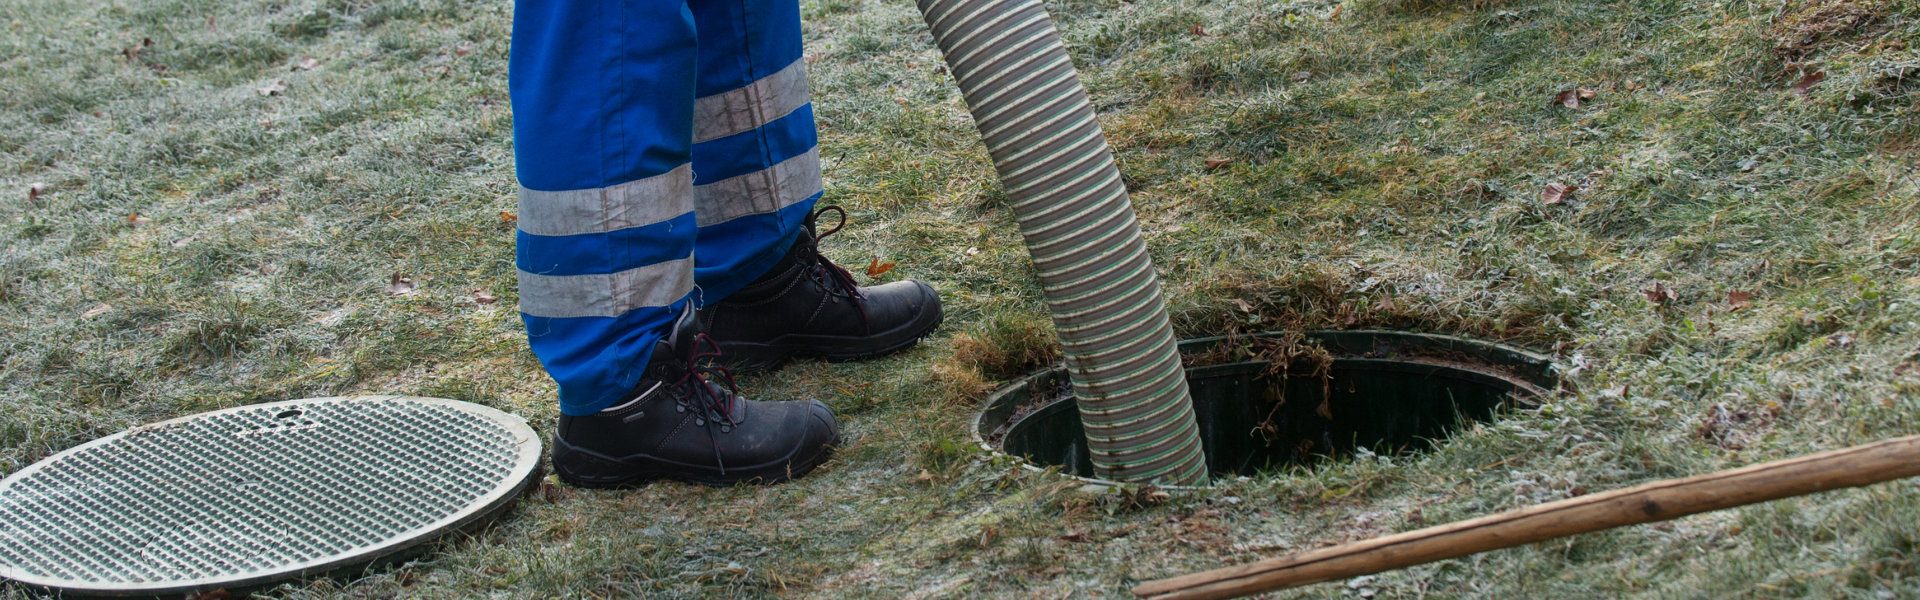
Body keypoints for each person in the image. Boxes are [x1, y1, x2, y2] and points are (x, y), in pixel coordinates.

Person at [508, 0, 943, 487]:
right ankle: (623, 390)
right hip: (618, 384)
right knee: (612, 26)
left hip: (749, 266)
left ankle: (755, 276)